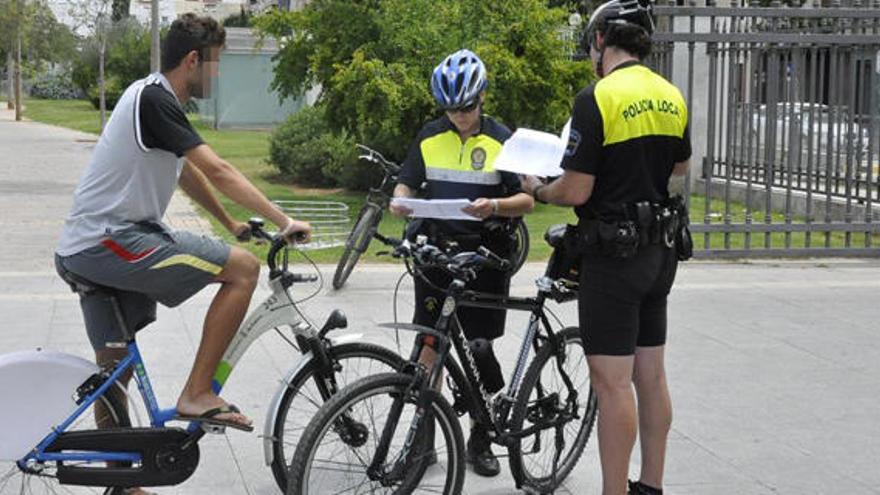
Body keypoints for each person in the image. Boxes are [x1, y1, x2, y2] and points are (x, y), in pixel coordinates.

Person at [54, 13, 312, 440]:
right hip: (109, 240)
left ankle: (121, 482)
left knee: (114, 366)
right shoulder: (156, 100)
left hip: (87, 245)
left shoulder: (155, 99)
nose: (219, 73)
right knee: (244, 269)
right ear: (194, 60)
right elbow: (220, 169)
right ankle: (197, 392)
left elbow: (187, 169)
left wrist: (227, 221)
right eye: (217, 63)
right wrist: (284, 222)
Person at [521, 1, 691, 494]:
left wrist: (537, 188)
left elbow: (574, 191)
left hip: (614, 257)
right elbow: (679, 168)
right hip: (659, 254)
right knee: (651, 377)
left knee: (612, 383)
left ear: (600, 42)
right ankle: (650, 486)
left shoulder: (596, 97)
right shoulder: (671, 95)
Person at [389, 49, 534, 477]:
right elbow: (407, 181)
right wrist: (401, 201)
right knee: (427, 351)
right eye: (451, 108)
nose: (460, 116)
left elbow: (526, 200)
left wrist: (495, 206)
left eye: (467, 107)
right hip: (436, 258)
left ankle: (481, 435)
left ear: (482, 96)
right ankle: (421, 443)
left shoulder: (502, 139)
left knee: (478, 348)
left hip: (484, 259)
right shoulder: (430, 134)